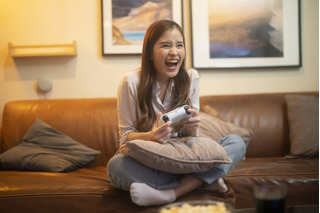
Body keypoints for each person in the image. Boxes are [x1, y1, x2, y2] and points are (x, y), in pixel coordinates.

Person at [107, 20, 246, 206]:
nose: (174, 52)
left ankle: (172, 193)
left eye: (179, 45)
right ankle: (202, 181)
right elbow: (124, 138)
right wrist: (151, 136)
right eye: (165, 45)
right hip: (152, 159)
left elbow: (191, 137)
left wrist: (190, 128)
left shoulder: (191, 77)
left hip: (183, 156)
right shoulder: (131, 82)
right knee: (115, 167)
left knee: (236, 143)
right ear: (149, 52)